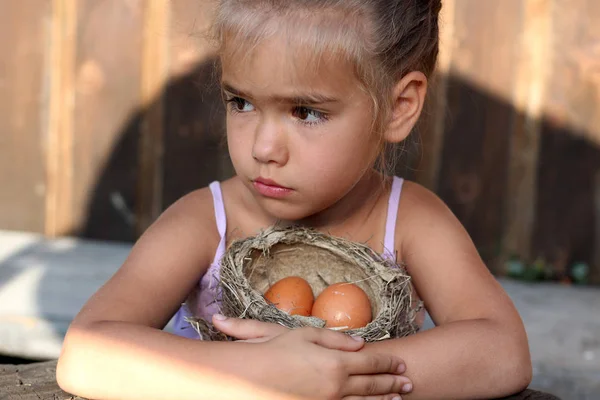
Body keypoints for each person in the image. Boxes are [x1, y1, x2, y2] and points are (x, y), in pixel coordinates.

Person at [56, 1, 532, 399]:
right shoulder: (207, 221)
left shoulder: (411, 220)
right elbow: (86, 352)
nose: (262, 148)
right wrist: (262, 373)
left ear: (397, 107)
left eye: (305, 112)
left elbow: (502, 350)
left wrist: (335, 374)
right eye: (240, 102)